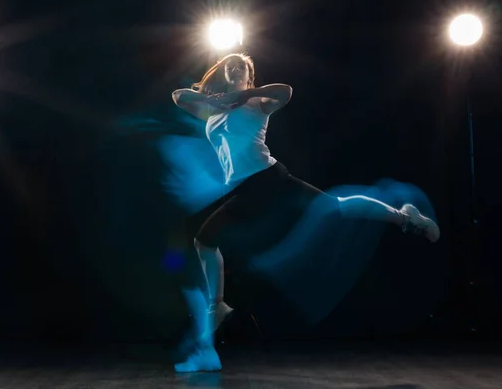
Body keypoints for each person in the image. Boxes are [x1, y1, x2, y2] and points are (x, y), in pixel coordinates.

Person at [170, 53, 440, 372]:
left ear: (249, 76)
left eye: (242, 66)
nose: (236, 68)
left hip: (268, 180)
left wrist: (243, 95)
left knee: (331, 209)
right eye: (230, 65)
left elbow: (286, 91)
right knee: (208, 241)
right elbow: (179, 97)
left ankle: (406, 217)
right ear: (223, 72)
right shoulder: (213, 110)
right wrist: (213, 99)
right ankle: (211, 337)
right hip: (246, 189)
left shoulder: (258, 103)